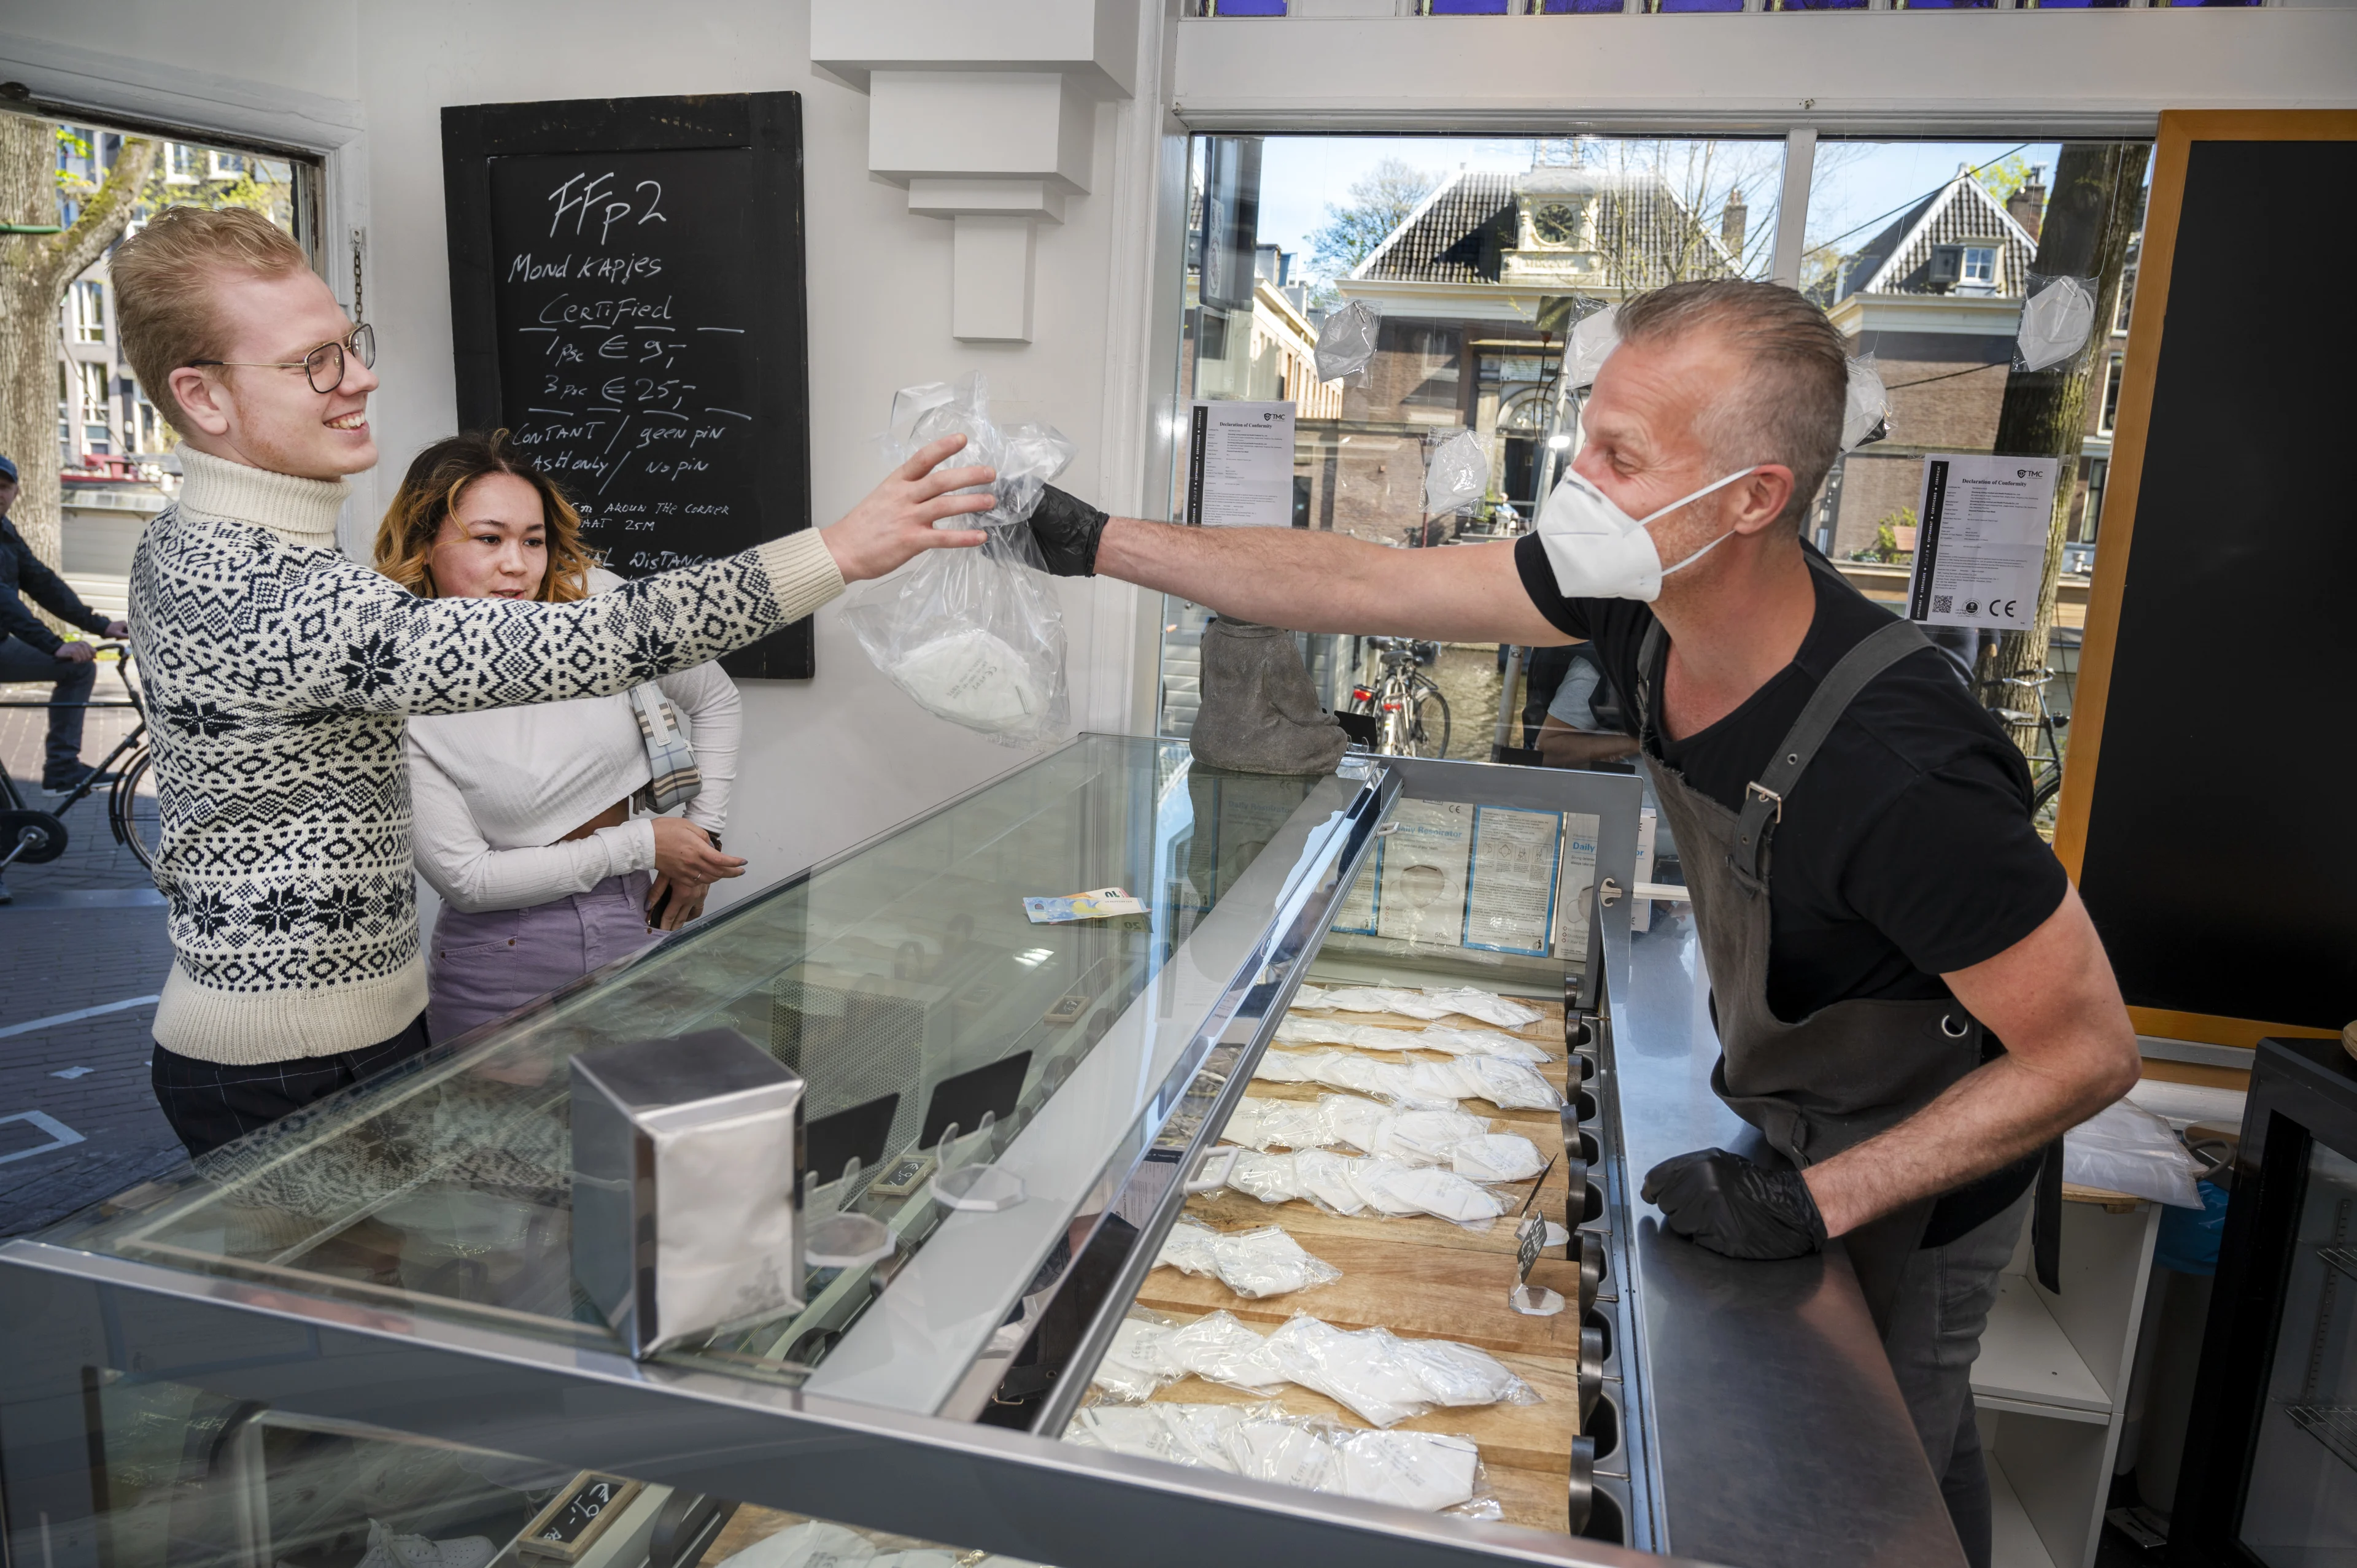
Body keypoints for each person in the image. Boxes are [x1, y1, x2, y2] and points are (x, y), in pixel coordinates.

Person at [1020, 278, 2139, 1568]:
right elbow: (1361, 579)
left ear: (1753, 497)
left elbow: (2088, 1051)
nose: (1578, 480)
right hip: (1784, 1103)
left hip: (1920, 1166)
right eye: (1584, 436)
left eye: (1621, 454)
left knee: (1877, 1482)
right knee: (1922, 1462)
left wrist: (1814, 1200)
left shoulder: (1904, 764)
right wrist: (1093, 539)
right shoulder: (1638, 588)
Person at [111, 206, 993, 1159]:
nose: (359, 377)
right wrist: (840, 551)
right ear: (202, 397)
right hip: (285, 1061)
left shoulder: (225, 543)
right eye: (311, 361)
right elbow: (582, 646)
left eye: (349, 344)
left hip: (354, 1027)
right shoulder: (259, 582)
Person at [374, 431, 749, 1043]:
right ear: (425, 543)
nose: (517, 565)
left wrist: (699, 844)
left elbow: (714, 696)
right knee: (500, 1140)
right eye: (489, 539)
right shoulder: (392, 678)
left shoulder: (593, 605)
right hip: (504, 955)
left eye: (534, 540)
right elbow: (468, 880)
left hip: (638, 916)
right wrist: (643, 842)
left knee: (636, 1129)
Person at [0, 452, 133, 794]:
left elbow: (43, 583)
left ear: (16, 493)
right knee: (73, 667)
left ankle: (62, 770)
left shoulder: (5, 532)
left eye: (4, 487)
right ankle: (61, 768)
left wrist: (100, 625)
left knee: (78, 668)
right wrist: (56, 645)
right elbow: (4, 604)